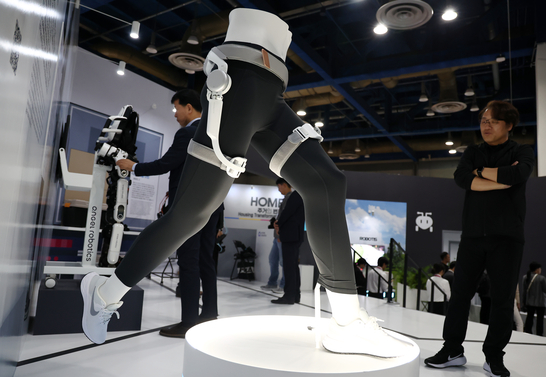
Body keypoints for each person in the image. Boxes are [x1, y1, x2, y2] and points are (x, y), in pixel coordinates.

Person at [80, 8, 409, 358]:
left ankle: (346, 324)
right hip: (238, 79)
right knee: (192, 214)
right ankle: (104, 293)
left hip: (272, 89)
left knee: (327, 183)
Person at [424, 100, 535, 377]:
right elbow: (461, 178)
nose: (486, 125)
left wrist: (481, 173)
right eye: (484, 120)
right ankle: (452, 350)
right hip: (472, 236)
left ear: (509, 125)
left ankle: (494, 356)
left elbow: (518, 174)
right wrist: (497, 178)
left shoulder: (522, 150)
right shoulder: (473, 151)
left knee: (502, 299)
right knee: (460, 295)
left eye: (493, 121)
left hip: (507, 238)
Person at [115, 89, 224, 337]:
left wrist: (135, 167)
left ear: (189, 107)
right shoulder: (215, 137)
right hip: (212, 206)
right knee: (206, 261)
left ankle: (188, 323)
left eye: (176, 108)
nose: (174, 113)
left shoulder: (188, 133)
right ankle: (209, 315)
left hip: (188, 207)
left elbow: (167, 164)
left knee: (188, 261)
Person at [271, 178, 304, 304]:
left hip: (290, 236)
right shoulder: (300, 195)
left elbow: (287, 213)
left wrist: (278, 223)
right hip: (295, 235)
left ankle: (289, 296)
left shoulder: (295, 196)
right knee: (293, 267)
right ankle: (295, 295)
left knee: (289, 267)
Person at [522, 262, 546, 336]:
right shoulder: (542, 278)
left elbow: (524, 291)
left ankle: (527, 331)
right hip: (540, 303)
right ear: (537, 269)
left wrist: (523, 301)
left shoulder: (525, 277)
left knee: (529, 318)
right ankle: (539, 334)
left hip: (529, 302)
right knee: (540, 320)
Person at [260, 219, 285, 292]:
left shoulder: (287, 208)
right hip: (276, 237)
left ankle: (283, 285)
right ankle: (272, 282)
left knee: (283, 262)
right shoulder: (281, 208)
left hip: (282, 237)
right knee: (272, 259)